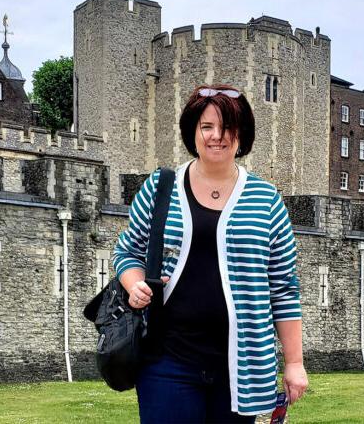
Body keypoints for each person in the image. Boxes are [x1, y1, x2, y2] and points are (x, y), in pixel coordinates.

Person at [113, 84, 308, 423]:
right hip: (167, 360)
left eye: (227, 127)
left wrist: (294, 363)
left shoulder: (267, 200)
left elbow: (284, 287)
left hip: (242, 367)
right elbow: (127, 251)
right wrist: (134, 284)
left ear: (241, 134)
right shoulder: (160, 187)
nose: (217, 136)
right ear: (194, 131)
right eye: (207, 126)